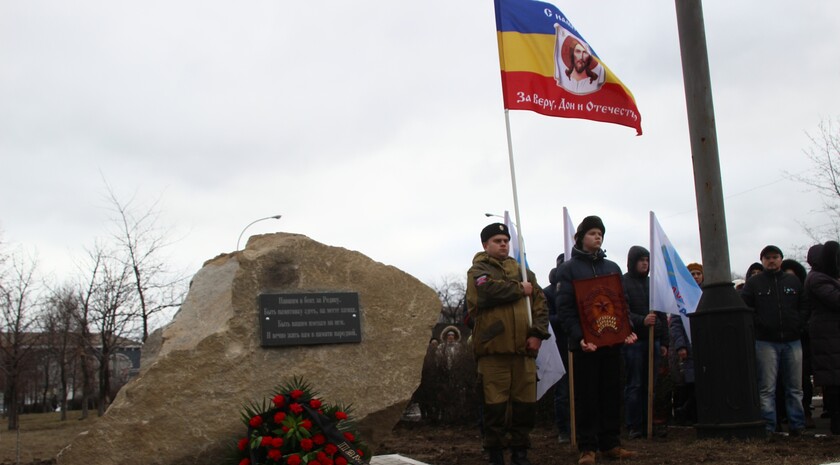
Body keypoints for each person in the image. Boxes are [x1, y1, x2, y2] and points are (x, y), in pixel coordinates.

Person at [555, 216, 637, 465]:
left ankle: (610, 444)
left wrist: (628, 329)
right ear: (580, 237)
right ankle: (587, 448)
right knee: (586, 396)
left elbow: (621, 303)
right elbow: (565, 309)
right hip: (585, 346)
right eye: (592, 233)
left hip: (611, 342)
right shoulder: (568, 270)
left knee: (611, 393)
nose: (597, 237)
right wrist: (579, 338)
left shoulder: (612, 268)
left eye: (600, 233)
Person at [466, 222, 550, 465]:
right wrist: (518, 289)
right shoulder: (478, 270)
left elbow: (540, 303)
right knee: (495, 409)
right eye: (497, 241)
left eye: (505, 240)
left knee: (524, 407)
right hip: (494, 352)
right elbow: (485, 293)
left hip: (524, 352)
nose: (503, 244)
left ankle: (520, 452)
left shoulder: (524, 272)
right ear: (486, 245)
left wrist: (537, 333)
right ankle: (495, 455)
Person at [741, 245, 807, 435]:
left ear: (781, 259)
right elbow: (746, 308)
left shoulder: (793, 281)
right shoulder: (754, 284)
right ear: (762, 260)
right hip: (765, 342)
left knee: (795, 388)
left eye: (775, 257)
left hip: (792, 340)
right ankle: (768, 427)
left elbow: (804, 305)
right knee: (767, 388)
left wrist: (799, 324)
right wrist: (759, 325)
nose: (771, 260)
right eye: (767, 257)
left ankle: (798, 426)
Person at [621, 246, 668, 439]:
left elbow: (662, 313)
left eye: (647, 260)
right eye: (641, 260)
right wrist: (642, 321)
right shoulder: (623, 283)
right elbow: (623, 312)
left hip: (654, 341)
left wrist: (664, 340)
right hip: (635, 341)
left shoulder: (653, 284)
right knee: (635, 384)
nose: (645, 263)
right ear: (632, 262)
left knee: (651, 384)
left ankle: (650, 421)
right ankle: (635, 424)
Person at [804, 241, 840, 435]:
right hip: (828, 335)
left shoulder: (825, 278)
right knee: (833, 380)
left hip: (831, 335)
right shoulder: (818, 279)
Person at [544, 253, 571, 444]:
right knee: (562, 392)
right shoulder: (548, 292)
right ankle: (564, 429)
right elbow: (545, 319)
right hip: (559, 347)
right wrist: (565, 319)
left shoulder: (581, 289)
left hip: (581, 346)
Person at [670, 263, 700, 425]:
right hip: (688, 348)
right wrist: (681, 345)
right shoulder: (680, 297)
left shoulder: (706, 294)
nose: (695, 277)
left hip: (704, 346)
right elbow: (675, 323)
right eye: (692, 274)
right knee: (690, 383)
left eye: (698, 274)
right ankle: (687, 416)